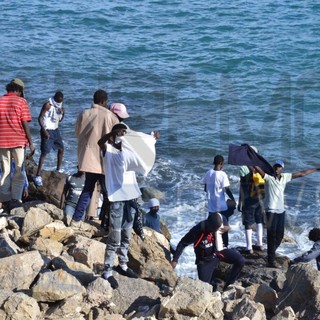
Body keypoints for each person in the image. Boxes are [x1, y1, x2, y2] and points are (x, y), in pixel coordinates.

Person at [99, 123, 156, 289]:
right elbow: (99, 143)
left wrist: (152, 140)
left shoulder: (129, 153)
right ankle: (107, 270)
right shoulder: (108, 151)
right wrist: (111, 133)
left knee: (127, 235)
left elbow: (145, 149)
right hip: (117, 199)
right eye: (121, 133)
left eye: (125, 132)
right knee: (114, 237)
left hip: (131, 198)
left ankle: (122, 265)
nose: (123, 135)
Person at [255, 160, 320, 268]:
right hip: (270, 210)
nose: (277, 168)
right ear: (273, 167)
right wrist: (250, 158)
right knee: (271, 235)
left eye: (279, 167)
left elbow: (301, 174)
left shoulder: (285, 177)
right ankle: (271, 260)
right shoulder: (268, 177)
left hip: (281, 211)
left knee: (280, 235)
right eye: (276, 166)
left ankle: (270, 253)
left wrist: (316, 169)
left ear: (282, 169)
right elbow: (257, 167)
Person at [70, 90, 120, 229]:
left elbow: (77, 132)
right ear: (105, 101)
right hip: (105, 159)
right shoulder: (111, 117)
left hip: (88, 159)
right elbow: (117, 139)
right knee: (108, 193)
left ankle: (76, 219)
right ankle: (108, 223)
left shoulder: (84, 113)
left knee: (88, 189)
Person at [170, 213, 245, 290]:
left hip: (219, 252)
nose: (215, 231)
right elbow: (183, 243)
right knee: (204, 288)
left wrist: (228, 228)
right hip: (205, 260)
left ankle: (228, 286)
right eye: (214, 229)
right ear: (209, 225)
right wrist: (175, 260)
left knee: (240, 260)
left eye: (217, 229)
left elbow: (222, 217)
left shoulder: (219, 221)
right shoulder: (197, 230)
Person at [0, 78, 35, 211]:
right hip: (18, 141)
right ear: (18, 90)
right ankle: (16, 199)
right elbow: (25, 123)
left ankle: (4, 200)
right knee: (19, 171)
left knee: (5, 171)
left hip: (2, 141)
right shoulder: (21, 102)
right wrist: (31, 143)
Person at [201, 155, 236, 250]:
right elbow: (227, 189)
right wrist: (233, 199)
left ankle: (213, 246)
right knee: (224, 227)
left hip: (211, 206)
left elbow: (205, 188)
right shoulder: (222, 174)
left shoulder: (208, 173)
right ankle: (225, 246)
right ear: (221, 163)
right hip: (221, 207)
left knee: (213, 227)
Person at [34, 91, 65, 187]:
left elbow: (59, 120)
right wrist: (44, 130)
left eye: (61, 101)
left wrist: (63, 114)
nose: (59, 102)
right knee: (44, 153)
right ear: (54, 98)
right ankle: (37, 175)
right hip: (47, 130)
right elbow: (39, 118)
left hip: (55, 130)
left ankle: (58, 169)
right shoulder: (48, 104)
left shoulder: (59, 106)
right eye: (58, 100)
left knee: (61, 149)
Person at [238, 146, 265, 254]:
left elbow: (242, 186)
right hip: (260, 198)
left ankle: (249, 247)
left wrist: (240, 201)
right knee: (259, 221)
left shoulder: (243, 168)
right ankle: (260, 244)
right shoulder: (261, 166)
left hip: (248, 199)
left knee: (248, 222)